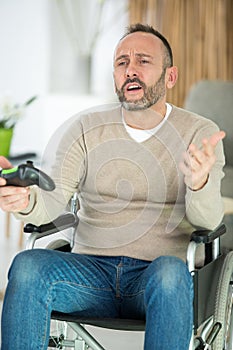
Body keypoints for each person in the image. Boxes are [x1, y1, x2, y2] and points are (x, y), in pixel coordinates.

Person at [0, 23, 225, 350]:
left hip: (157, 276)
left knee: (169, 274)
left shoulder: (199, 132)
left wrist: (200, 182)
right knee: (28, 265)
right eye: (121, 63)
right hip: (89, 275)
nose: (130, 70)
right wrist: (23, 199)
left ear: (170, 76)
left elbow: (208, 223)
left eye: (143, 61)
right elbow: (52, 199)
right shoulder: (85, 128)